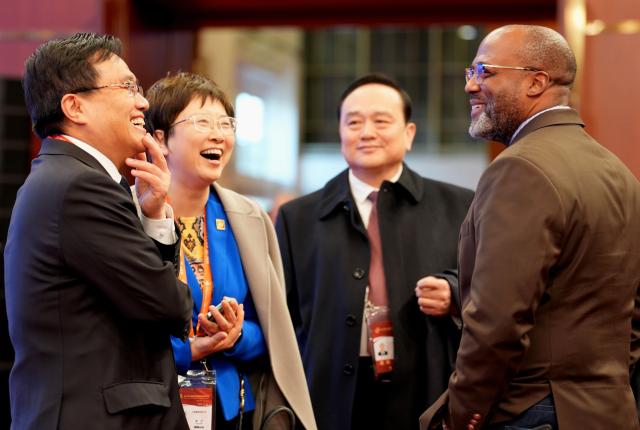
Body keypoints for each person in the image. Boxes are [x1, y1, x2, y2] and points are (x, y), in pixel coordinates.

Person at [419, 25, 640, 430]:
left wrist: (461, 415)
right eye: (470, 73)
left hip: (533, 412)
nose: (471, 86)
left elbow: (497, 320)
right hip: (608, 411)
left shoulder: (520, 168)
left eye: (485, 71)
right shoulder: (617, 171)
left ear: (537, 82)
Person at [4, 33, 193, 429]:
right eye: (127, 87)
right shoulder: (80, 186)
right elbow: (169, 307)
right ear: (75, 106)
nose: (143, 101)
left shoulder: (64, 177)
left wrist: (153, 213)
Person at [275, 74, 474, 430]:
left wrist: (454, 292)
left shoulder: (460, 206)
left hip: (425, 393)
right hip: (328, 396)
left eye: (381, 121)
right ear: (340, 132)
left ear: (409, 133)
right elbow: (284, 318)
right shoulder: (298, 218)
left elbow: (490, 290)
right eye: (353, 122)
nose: (366, 132)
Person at [144, 72, 317, 430]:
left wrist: (234, 336)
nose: (218, 134)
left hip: (230, 408)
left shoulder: (247, 217)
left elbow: (270, 332)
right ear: (161, 139)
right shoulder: (129, 215)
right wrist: (189, 350)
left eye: (226, 123)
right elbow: (109, 334)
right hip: (149, 406)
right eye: (202, 121)